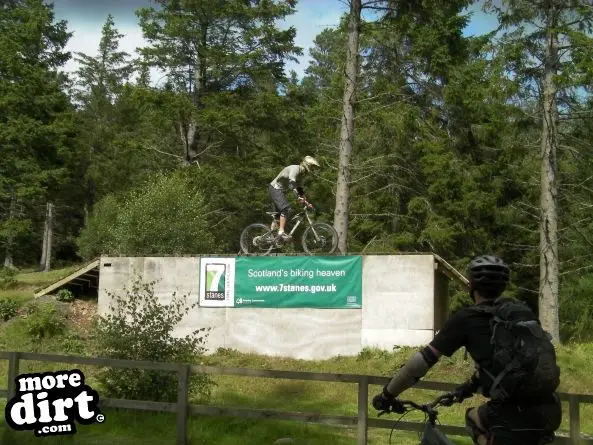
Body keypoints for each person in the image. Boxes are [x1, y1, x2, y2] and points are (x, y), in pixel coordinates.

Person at [371, 255, 562, 445]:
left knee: (472, 417)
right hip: (549, 410)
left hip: (509, 415)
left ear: (471, 286)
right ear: (503, 285)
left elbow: (423, 361)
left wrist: (387, 395)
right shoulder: (522, 313)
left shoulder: (466, 319)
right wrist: (467, 388)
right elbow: (508, 365)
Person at [268, 155, 319, 241]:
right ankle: (281, 231)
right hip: (275, 188)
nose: (313, 169)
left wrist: (306, 202)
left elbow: (299, 189)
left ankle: (272, 237)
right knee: (286, 209)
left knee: (280, 215)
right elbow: (292, 184)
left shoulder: (301, 174)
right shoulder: (295, 169)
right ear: (307, 165)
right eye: (312, 166)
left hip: (279, 190)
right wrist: (298, 197)